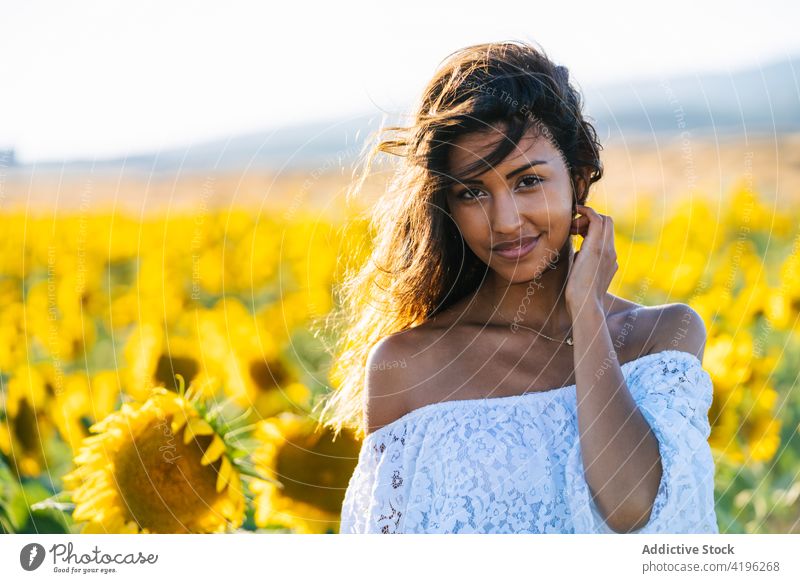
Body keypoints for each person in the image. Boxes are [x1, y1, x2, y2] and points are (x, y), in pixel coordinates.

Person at [316, 40, 718, 534]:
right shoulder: (409, 367)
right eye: (472, 192)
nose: (505, 221)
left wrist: (586, 311)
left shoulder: (663, 337)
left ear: (578, 176)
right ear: (447, 206)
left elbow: (631, 504)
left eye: (528, 181)